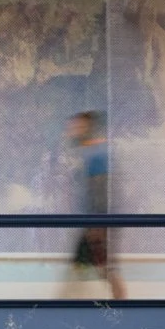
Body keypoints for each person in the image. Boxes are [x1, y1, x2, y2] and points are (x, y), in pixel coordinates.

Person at [67, 109, 125, 300]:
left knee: (106, 269)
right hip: (92, 223)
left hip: (97, 223)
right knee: (84, 268)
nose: (73, 130)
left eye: (79, 126)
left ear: (89, 128)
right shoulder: (90, 153)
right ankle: (67, 307)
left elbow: (101, 191)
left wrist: (97, 226)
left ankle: (124, 309)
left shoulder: (98, 155)